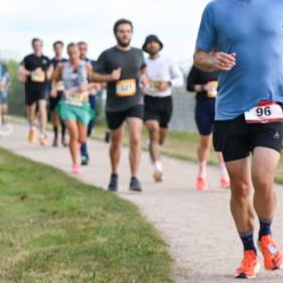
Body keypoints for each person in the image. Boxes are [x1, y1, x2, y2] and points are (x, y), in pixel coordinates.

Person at [193, 0, 283, 279]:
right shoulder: (215, 9)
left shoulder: (280, 2)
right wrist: (213, 59)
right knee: (240, 187)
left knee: (262, 177)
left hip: (270, 105)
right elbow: (199, 56)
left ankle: (266, 233)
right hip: (229, 111)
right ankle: (248, 251)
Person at [91, 19, 147, 192]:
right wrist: (109, 78)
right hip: (114, 105)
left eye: (128, 31)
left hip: (135, 102)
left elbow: (143, 69)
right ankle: (114, 175)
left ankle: (134, 178)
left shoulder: (138, 53)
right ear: (116, 33)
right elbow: (93, 75)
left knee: (136, 138)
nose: (125, 34)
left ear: (132, 33)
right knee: (116, 142)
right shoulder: (107, 55)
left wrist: (143, 78)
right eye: (122, 31)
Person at [141, 34, 184, 183]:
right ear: (145, 47)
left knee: (160, 138)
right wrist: (142, 85)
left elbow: (179, 79)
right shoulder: (142, 63)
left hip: (165, 101)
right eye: (149, 43)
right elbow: (138, 81)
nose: (152, 45)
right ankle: (158, 168)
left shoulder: (168, 60)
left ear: (160, 44)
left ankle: (153, 150)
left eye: (154, 43)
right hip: (149, 101)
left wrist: (168, 83)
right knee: (154, 131)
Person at [52, 42, 94, 174]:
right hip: (67, 103)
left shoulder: (86, 66)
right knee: (73, 133)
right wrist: (54, 88)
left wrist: (86, 87)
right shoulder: (62, 66)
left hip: (82, 104)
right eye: (70, 53)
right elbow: (54, 79)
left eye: (75, 53)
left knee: (82, 138)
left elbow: (96, 80)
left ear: (79, 53)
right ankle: (75, 163)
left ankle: (78, 149)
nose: (72, 56)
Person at [186, 65, 229, 190]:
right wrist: (204, 87)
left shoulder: (224, 66)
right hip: (203, 107)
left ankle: (224, 175)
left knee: (220, 142)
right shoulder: (199, 66)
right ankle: (202, 174)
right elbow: (189, 86)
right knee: (205, 143)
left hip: (220, 107)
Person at [18, 38, 52, 145]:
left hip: (43, 86)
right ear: (32, 46)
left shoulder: (46, 59)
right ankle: (32, 127)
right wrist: (32, 72)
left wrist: (45, 74)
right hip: (30, 87)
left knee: (42, 108)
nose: (37, 46)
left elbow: (51, 71)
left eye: (39, 45)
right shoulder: (28, 58)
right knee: (31, 111)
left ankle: (42, 134)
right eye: (35, 45)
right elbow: (20, 70)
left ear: (42, 46)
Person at [77, 41, 99, 165]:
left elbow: (97, 80)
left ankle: (86, 134)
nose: (82, 51)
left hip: (90, 97)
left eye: (84, 49)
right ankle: (84, 154)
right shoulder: (71, 65)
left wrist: (87, 86)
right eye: (80, 49)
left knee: (88, 128)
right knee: (82, 127)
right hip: (77, 100)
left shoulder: (92, 64)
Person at [48, 40, 67, 147]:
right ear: (54, 49)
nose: (58, 49)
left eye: (60, 47)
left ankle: (63, 137)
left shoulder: (66, 62)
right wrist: (52, 89)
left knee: (64, 115)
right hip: (54, 91)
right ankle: (55, 137)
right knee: (55, 115)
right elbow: (50, 77)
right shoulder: (51, 62)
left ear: (62, 48)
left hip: (64, 91)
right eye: (56, 47)